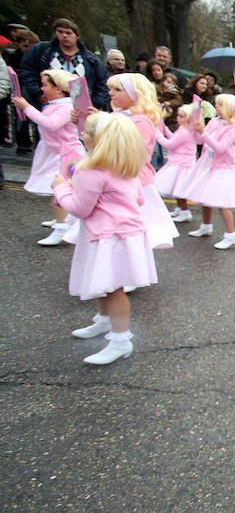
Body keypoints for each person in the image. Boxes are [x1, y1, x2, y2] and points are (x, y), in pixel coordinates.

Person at [51, 113, 157, 365]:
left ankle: (120, 341)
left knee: (112, 288)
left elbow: (79, 209)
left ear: (100, 140)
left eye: (87, 132)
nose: (82, 135)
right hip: (122, 235)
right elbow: (139, 200)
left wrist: (60, 187)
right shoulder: (126, 169)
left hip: (108, 237)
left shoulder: (90, 172)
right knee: (102, 282)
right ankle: (104, 322)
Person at [102, 73, 179, 250]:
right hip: (115, 177)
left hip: (134, 181)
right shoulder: (117, 116)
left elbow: (136, 155)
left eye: (117, 89)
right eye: (110, 89)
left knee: (135, 233)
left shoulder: (141, 121)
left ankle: (134, 272)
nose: (111, 93)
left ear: (135, 94)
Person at [10, 69, 85, 245]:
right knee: (55, 187)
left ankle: (62, 228)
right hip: (55, 152)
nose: (42, 89)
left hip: (66, 154)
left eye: (45, 85)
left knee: (59, 190)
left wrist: (27, 107)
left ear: (58, 89)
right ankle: (63, 219)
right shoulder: (55, 105)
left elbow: (51, 124)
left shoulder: (66, 107)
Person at [182, 94, 235, 249]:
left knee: (222, 203)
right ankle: (206, 226)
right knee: (205, 197)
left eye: (219, 104)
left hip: (222, 169)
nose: (216, 107)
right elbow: (199, 141)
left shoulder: (233, 129)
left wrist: (203, 132)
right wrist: (196, 128)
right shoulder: (213, 122)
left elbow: (220, 148)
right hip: (207, 164)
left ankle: (231, 234)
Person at [19, 18, 109, 110]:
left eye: (68, 33)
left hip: (79, 108)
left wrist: (94, 104)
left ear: (77, 36)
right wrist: (37, 93)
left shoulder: (91, 59)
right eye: (60, 32)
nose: (64, 36)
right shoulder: (42, 50)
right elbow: (27, 71)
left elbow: (103, 83)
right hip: (48, 105)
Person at [155, 105, 198, 222]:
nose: (178, 118)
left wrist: (158, 134)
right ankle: (180, 209)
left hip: (181, 164)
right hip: (182, 163)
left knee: (179, 189)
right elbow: (175, 139)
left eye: (181, 116)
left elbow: (170, 144)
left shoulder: (184, 132)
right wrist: (166, 130)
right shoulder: (185, 130)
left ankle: (185, 212)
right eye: (178, 115)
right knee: (177, 188)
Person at [3, 29, 39, 152]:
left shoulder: (37, 56)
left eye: (31, 46)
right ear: (18, 44)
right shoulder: (12, 55)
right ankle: (22, 143)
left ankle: (35, 142)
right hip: (18, 89)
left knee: (36, 117)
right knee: (20, 118)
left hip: (33, 89)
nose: (28, 49)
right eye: (25, 46)